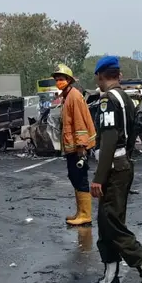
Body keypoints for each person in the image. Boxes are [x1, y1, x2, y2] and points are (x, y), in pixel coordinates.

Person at [88, 56, 142, 283]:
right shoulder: (127, 99)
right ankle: (110, 278)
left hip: (112, 168)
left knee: (112, 225)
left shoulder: (108, 101)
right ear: (118, 75)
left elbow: (109, 138)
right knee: (106, 223)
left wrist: (99, 177)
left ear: (101, 76)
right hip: (122, 164)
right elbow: (132, 134)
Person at [52, 64, 97, 226]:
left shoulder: (74, 97)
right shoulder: (67, 96)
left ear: (69, 80)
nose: (59, 82)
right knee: (74, 176)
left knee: (80, 178)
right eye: (57, 79)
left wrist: (81, 147)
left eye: (61, 79)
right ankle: (80, 211)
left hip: (78, 148)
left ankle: (85, 214)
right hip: (72, 147)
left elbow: (79, 124)